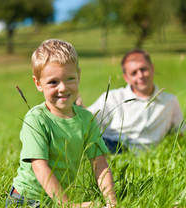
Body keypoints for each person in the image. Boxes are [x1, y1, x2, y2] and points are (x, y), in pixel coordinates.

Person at [6, 39, 116, 207]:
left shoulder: (87, 119)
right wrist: (69, 205)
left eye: (70, 78)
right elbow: (40, 168)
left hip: (57, 201)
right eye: (53, 82)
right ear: (38, 83)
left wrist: (112, 202)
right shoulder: (36, 119)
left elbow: (100, 164)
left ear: (79, 75)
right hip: (26, 199)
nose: (63, 88)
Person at [86, 49, 185, 152]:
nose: (140, 75)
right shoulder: (113, 97)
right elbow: (89, 118)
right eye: (134, 73)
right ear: (126, 78)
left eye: (143, 69)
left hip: (145, 152)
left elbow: (179, 136)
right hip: (112, 145)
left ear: (152, 68)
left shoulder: (169, 101)